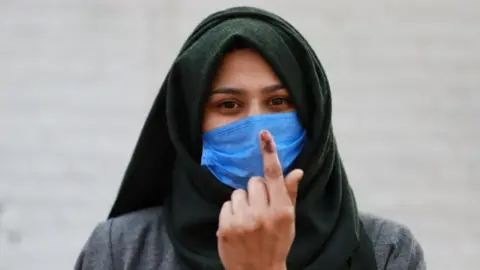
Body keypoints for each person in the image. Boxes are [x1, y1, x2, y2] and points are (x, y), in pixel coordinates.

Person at [74, 6, 426, 270]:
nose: (259, 129)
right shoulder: (121, 250)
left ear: (312, 115)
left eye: (278, 101)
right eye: (229, 104)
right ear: (189, 123)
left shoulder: (386, 251)